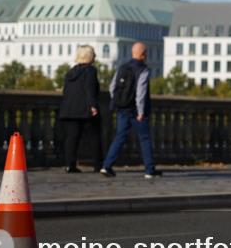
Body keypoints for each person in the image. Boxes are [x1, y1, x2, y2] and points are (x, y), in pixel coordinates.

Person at [100, 42, 161, 179]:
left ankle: (106, 166)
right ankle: (149, 170)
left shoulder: (122, 67)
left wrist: (119, 102)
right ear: (143, 55)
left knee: (119, 137)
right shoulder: (143, 70)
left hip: (123, 108)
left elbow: (112, 87)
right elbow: (141, 92)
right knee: (144, 139)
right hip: (136, 111)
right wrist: (140, 111)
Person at [58, 44, 102, 173]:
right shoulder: (90, 70)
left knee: (72, 138)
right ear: (89, 56)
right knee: (94, 137)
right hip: (84, 110)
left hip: (69, 109)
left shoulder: (71, 72)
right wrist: (93, 106)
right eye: (93, 54)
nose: (95, 56)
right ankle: (98, 164)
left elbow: (66, 91)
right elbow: (90, 89)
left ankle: (70, 165)